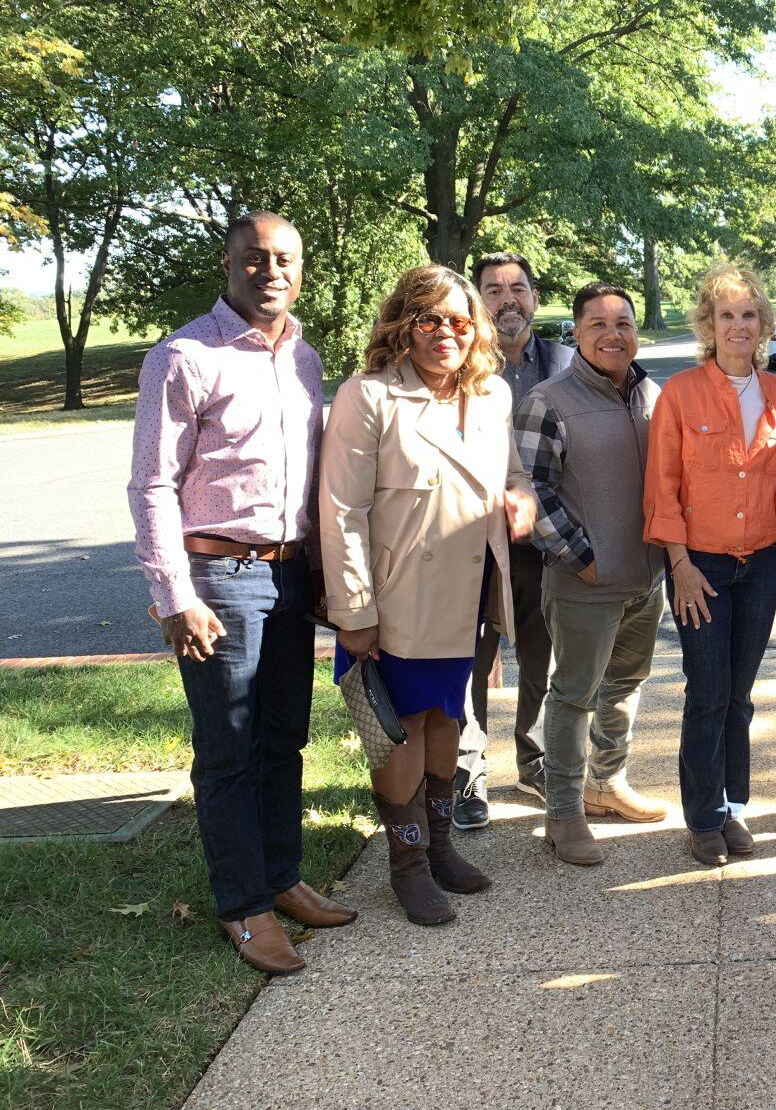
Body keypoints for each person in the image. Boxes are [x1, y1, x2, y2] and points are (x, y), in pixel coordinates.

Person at [128, 210, 356, 974]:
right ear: (228, 264)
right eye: (255, 258)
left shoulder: (306, 359)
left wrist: (319, 574)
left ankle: (282, 876)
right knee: (228, 747)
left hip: (290, 574)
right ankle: (243, 904)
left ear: (302, 269)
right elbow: (152, 484)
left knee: (284, 736)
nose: (271, 271)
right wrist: (174, 595)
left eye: (285, 259)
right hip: (218, 578)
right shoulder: (184, 356)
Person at [319, 264, 536, 926]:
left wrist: (521, 496)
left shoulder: (492, 394)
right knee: (402, 728)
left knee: (448, 718)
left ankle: (440, 846)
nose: (446, 333)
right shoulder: (369, 395)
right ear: (403, 325)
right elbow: (341, 511)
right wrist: (354, 611)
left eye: (459, 321)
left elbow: (512, 471)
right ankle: (407, 863)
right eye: (430, 319)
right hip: (396, 595)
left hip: (469, 589)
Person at [643, 264, 776, 867]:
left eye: (749, 314)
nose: (738, 325)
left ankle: (735, 806)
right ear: (708, 324)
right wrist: (678, 563)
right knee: (708, 691)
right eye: (726, 314)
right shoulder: (681, 394)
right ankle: (703, 817)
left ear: (764, 324)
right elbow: (662, 485)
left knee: (740, 693)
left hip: (763, 560)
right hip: (700, 563)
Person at [515, 282, 672, 867]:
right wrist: (582, 557)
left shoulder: (651, 395)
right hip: (585, 581)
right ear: (577, 333)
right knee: (574, 695)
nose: (613, 334)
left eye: (623, 323)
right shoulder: (548, 401)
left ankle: (607, 782)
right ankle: (563, 812)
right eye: (598, 324)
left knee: (625, 685)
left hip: (645, 578)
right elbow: (531, 490)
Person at [454, 253, 574, 829]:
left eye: (518, 288)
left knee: (539, 655)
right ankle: (467, 773)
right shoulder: (456, 363)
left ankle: (535, 760)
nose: (508, 300)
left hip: (541, 543)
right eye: (494, 289)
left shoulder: (566, 363)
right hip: (468, 542)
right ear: (477, 300)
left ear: (534, 297)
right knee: (468, 659)